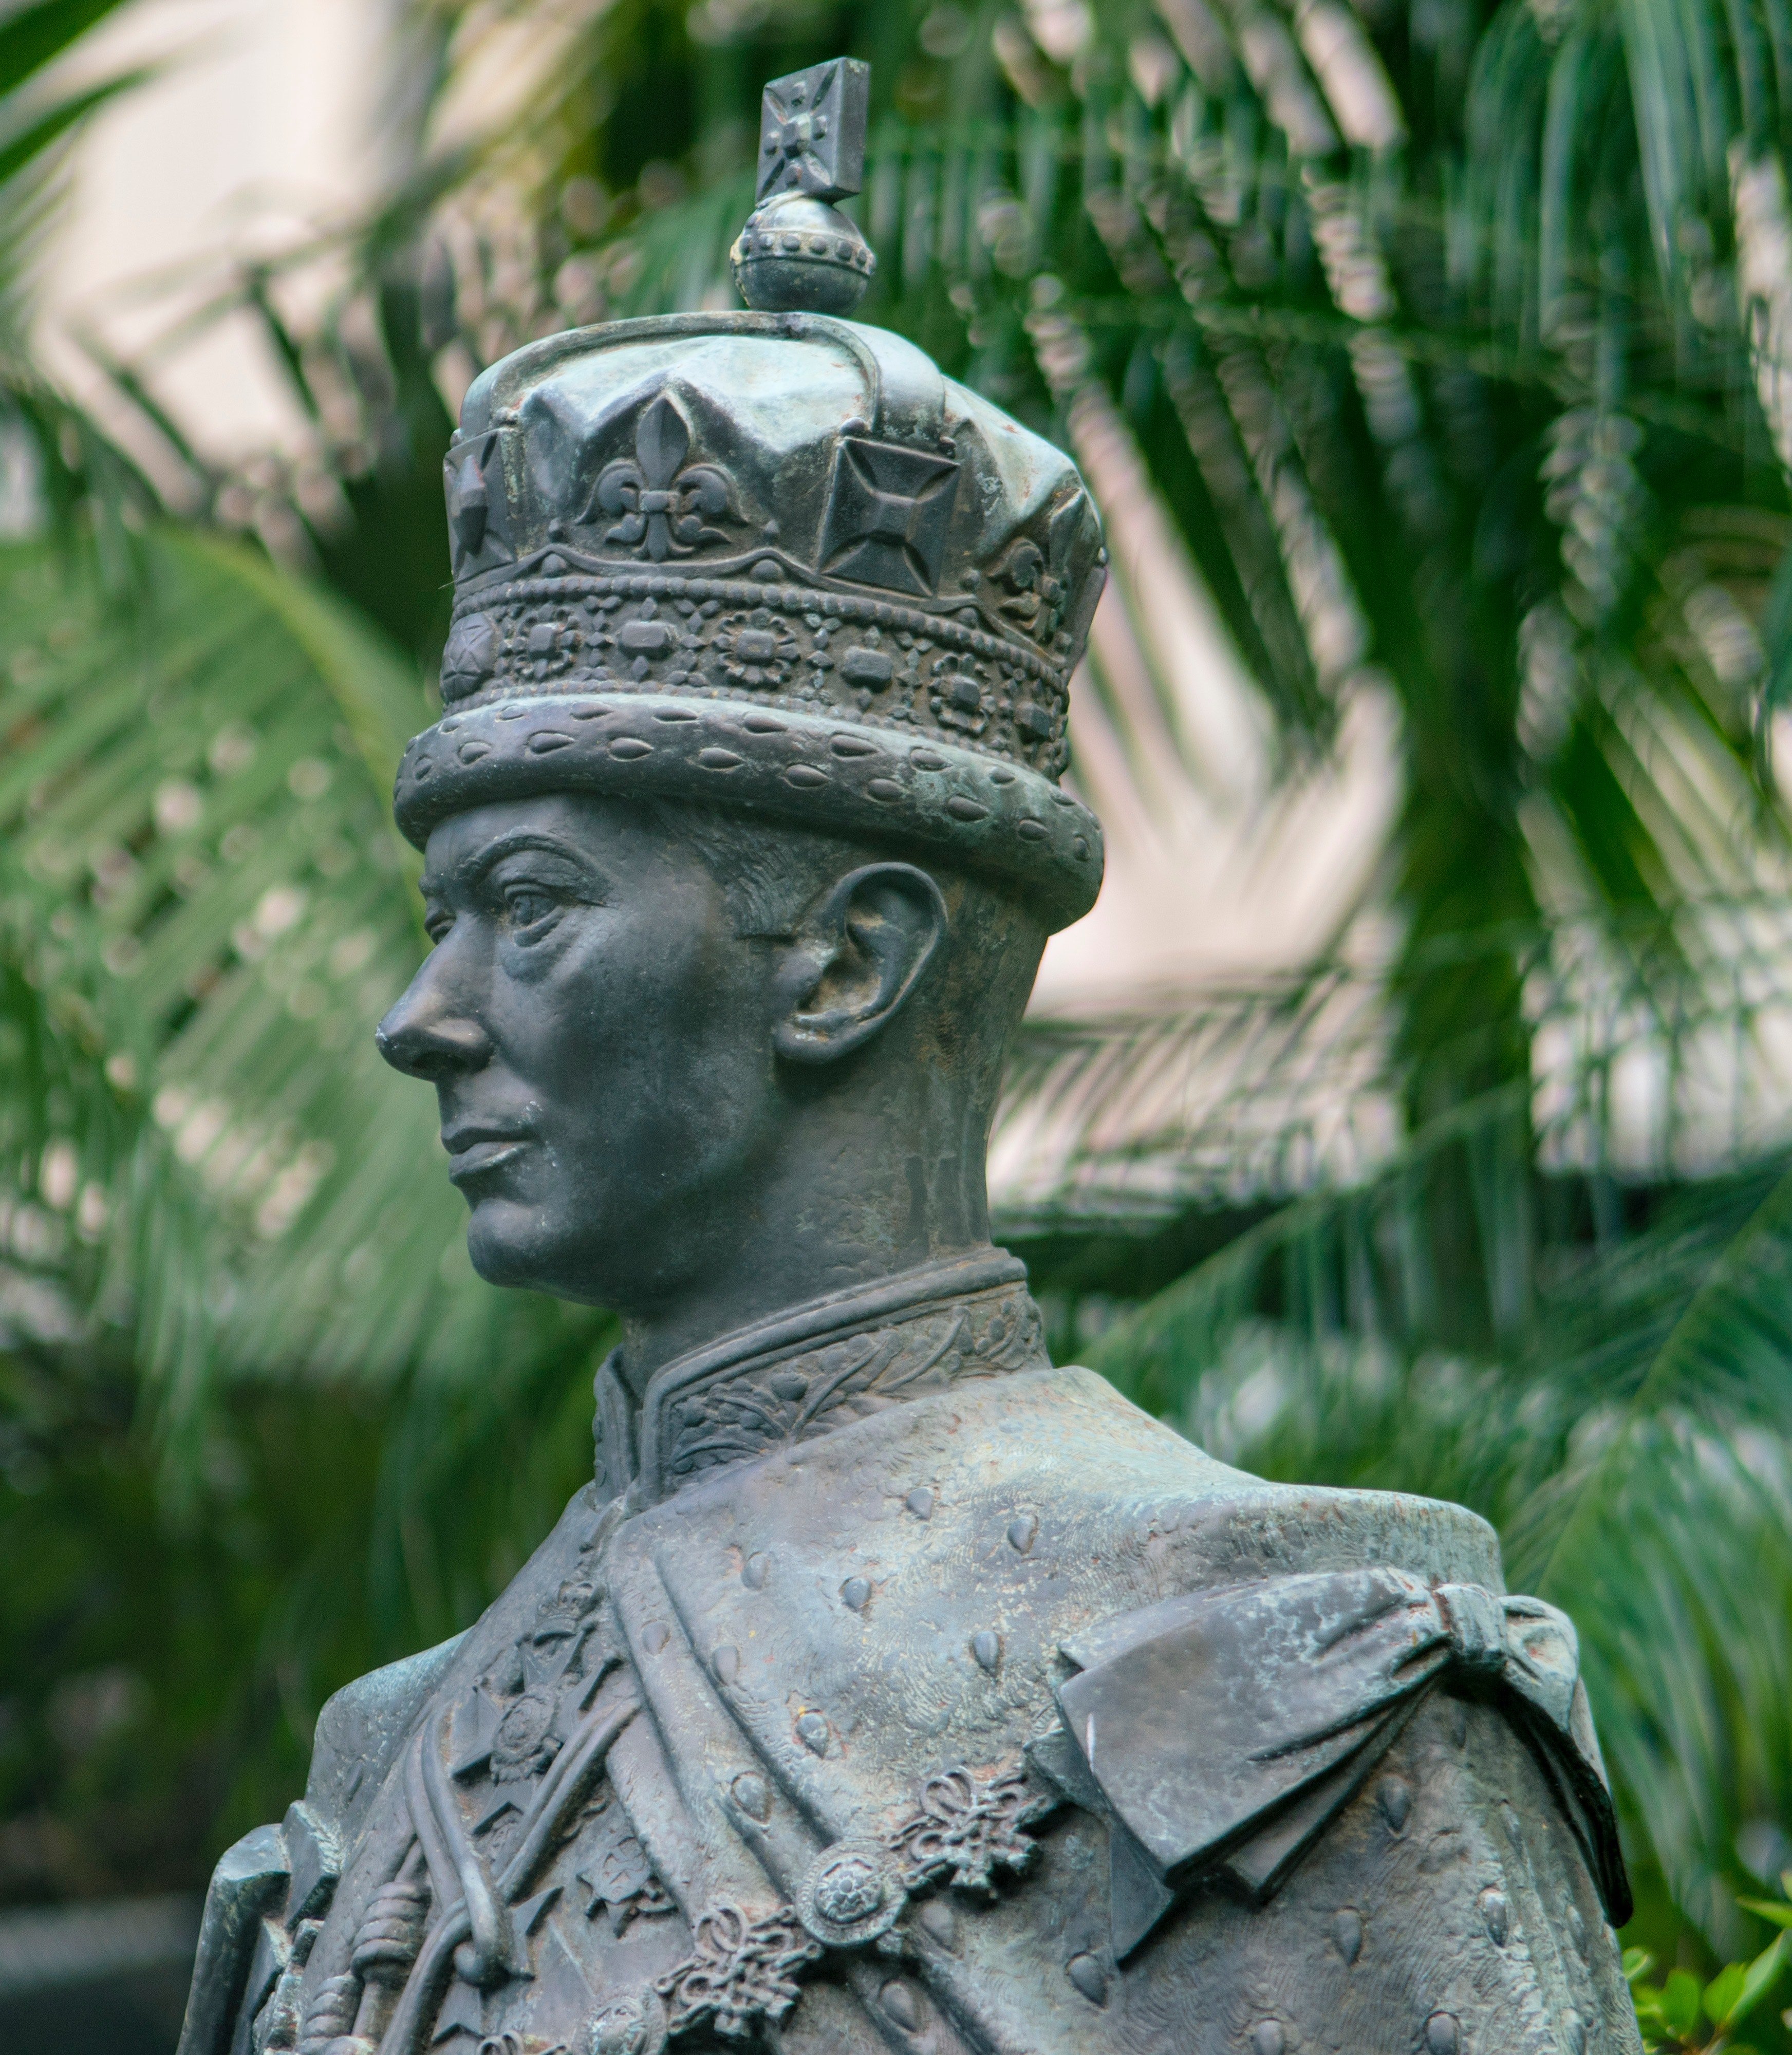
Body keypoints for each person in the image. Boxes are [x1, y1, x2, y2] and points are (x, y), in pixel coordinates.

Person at [176, 57, 1633, 2055]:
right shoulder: (382, 1777)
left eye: (525, 908)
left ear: (845, 962)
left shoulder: (1275, 1678)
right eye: (443, 920)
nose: (424, 1016)